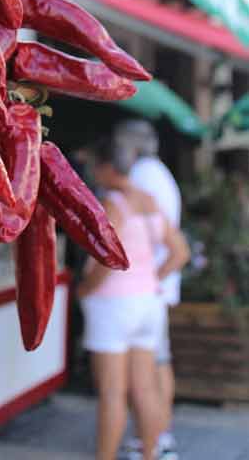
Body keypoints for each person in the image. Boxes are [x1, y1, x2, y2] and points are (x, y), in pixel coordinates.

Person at [78, 135, 189, 460]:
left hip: (113, 305)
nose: (94, 173)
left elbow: (107, 259)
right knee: (145, 388)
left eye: (97, 166)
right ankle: (151, 454)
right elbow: (179, 251)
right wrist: (152, 278)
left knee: (113, 392)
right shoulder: (148, 199)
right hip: (147, 302)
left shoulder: (113, 202)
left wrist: (85, 288)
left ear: (109, 167)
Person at [115, 120, 182, 460]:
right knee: (158, 364)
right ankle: (158, 437)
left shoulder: (141, 176)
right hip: (158, 285)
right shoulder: (160, 172)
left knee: (146, 374)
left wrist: (150, 277)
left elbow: (155, 236)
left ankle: (153, 442)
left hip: (147, 287)